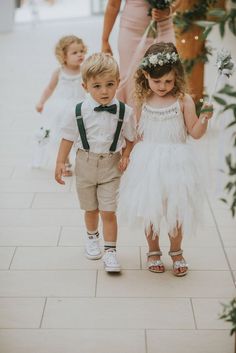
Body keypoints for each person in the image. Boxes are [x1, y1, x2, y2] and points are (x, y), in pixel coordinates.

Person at [118, 42, 213, 277]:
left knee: (176, 209)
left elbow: (195, 133)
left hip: (177, 162)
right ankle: (152, 251)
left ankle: (177, 251)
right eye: (157, 81)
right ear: (146, 76)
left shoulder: (184, 101)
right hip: (148, 162)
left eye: (168, 81)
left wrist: (204, 119)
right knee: (151, 208)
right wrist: (127, 155)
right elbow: (136, 135)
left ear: (176, 77)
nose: (163, 86)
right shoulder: (142, 101)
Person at [54, 53, 136, 272]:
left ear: (118, 82)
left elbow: (130, 137)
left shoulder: (125, 112)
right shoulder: (78, 111)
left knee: (108, 211)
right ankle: (92, 237)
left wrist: (126, 154)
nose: (104, 91)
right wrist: (60, 162)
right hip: (85, 163)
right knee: (91, 209)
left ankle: (110, 251)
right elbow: (68, 137)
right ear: (85, 86)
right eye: (97, 86)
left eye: (110, 84)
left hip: (112, 164)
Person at [101, 0, 177, 106]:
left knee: (167, 75)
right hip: (132, 31)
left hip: (164, 28)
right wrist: (105, 40)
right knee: (131, 80)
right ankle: (132, 118)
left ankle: (163, 116)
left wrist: (168, 10)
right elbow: (113, 5)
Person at [33, 35, 87, 174]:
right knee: (63, 135)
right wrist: (41, 102)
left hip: (80, 107)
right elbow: (49, 88)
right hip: (61, 108)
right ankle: (65, 161)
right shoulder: (59, 72)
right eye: (74, 52)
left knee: (82, 134)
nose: (79, 54)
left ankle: (83, 161)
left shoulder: (84, 70)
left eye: (81, 51)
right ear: (63, 56)